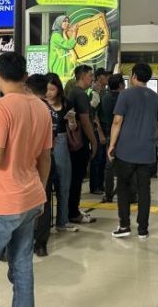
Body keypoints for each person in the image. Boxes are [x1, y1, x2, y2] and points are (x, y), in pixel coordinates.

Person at [0, 52, 52, 306]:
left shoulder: (0, 108)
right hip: (31, 198)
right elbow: (45, 158)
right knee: (22, 265)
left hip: (1, 202)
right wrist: (42, 191)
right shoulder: (41, 107)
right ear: (25, 76)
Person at [108, 63, 158, 239]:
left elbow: (117, 121)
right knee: (144, 190)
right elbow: (157, 125)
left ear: (133, 76)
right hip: (147, 152)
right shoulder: (156, 98)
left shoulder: (125, 95)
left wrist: (111, 145)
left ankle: (124, 225)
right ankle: (143, 229)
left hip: (125, 151)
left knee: (123, 188)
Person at [26, 74, 58, 257]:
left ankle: (23, 240)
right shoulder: (48, 109)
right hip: (45, 158)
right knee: (43, 201)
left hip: (26, 161)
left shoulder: (24, 108)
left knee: (23, 201)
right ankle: (41, 243)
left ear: (28, 89)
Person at [44, 72, 78, 233]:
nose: (49, 93)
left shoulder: (66, 103)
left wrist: (71, 121)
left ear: (58, 89)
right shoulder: (40, 103)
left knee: (64, 182)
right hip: (44, 143)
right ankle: (41, 224)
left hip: (62, 142)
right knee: (44, 184)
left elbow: (73, 127)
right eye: (47, 89)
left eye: (52, 89)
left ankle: (62, 221)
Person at [68, 65, 99, 225]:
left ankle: (71, 209)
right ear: (82, 76)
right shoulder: (80, 95)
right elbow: (86, 121)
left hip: (73, 143)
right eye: (90, 76)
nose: (92, 79)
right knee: (77, 178)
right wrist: (94, 141)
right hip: (79, 144)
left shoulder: (72, 92)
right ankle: (73, 212)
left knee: (74, 178)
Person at [100, 73, 125, 203]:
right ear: (121, 84)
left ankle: (108, 194)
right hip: (124, 134)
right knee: (126, 165)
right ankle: (126, 193)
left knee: (109, 166)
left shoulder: (104, 97)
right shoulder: (124, 98)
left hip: (109, 132)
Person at [90, 67, 112, 195]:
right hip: (99, 129)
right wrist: (100, 132)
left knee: (103, 158)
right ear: (99, 78)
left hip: (105, 128)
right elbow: (94, 114)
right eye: (105, 76)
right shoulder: (95, 92)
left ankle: (101, 184)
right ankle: (95, 186)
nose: (108, 78)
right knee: (97, 158)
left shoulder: (105, 91)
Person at [48, 15, 77, 81]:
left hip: (63, 65)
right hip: (58, 66)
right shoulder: (56, 35)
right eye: (64, 21)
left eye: (68, 21)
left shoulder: (61, 34)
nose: (67, 23)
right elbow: (68, 45)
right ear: (59, 22)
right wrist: (74, 33)